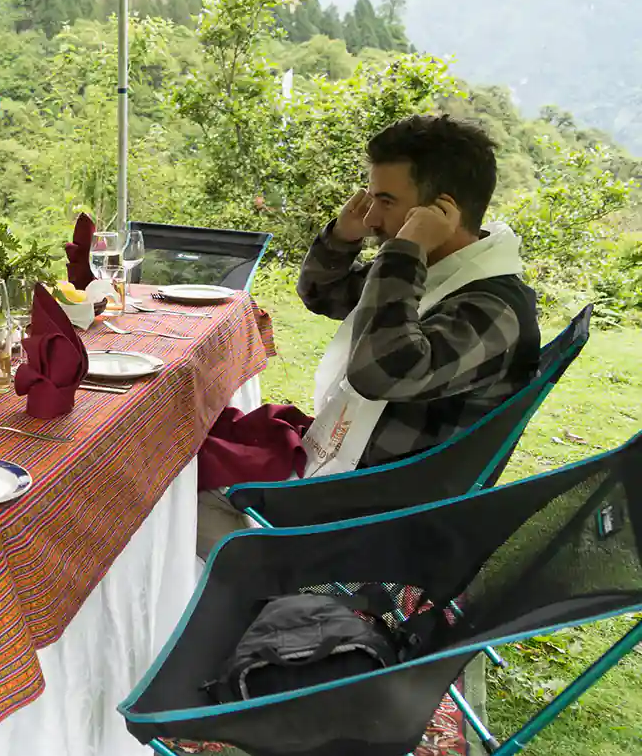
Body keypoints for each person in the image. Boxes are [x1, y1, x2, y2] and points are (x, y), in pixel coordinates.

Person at [197, 115, 541, 554]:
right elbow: (325, 294)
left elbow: (379, 373)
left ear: (441, 211)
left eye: (386, 201)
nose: (373, 217)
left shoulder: (491, 310)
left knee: (178, 487)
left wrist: (404, 251)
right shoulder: (443, 273)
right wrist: (344, 235)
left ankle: (267, 581)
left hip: (379, 511)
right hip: (362, 474)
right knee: (195, 448)